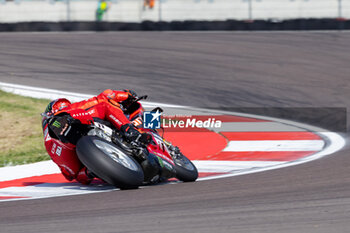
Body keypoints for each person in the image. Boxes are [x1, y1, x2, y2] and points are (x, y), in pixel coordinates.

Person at [42, 89, 149, 185]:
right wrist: (127, 94)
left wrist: (89, 171)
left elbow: (71, 175)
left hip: (82, 155)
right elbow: (105, 96)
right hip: (111, 165)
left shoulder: (50, 145)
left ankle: (92, 170)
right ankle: (130, 130)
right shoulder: (73, 109)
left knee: (78, 174)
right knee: (105, 104)